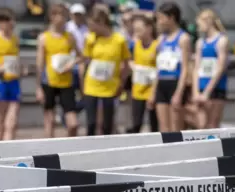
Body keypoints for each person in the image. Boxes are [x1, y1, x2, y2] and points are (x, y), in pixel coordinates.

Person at [82, 6, 131, 135]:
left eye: (92, 25)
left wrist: (121, 83)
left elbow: (126, 65)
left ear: (101, 22)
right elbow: (85, 61)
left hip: (110, 87)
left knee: (106, 125)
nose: (90, 28)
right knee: (91, 123)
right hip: (91, 85)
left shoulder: (119, 40)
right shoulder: (90, 39)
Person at [36, 4, 81, 138]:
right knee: (49, 122)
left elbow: (81, 56)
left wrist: (71, 64)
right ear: (51, 17)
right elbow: (40, 63)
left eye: (62, 15)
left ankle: (69, 149)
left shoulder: (70, 37)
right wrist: (38, 87)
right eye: (56, 15)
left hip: (66, 82)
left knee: (73, 124)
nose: (59, 18)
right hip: (49, 81)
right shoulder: (44, 38)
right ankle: (49, 153)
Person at [155, 2, 191, 132]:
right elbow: (157, 67)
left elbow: (185, 68)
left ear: (171, 18)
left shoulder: (183, 38)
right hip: (162, 82)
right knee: (164, 128)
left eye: (161, 18)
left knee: (176, 128)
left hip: (175, 82)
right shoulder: (161, 40)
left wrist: (179, 92)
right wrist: (154, 89)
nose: (159, 22)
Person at [0, 8, 21, 140]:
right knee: (0, 123)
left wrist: (20, 68)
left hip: (14, 81)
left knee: (11, 123)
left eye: (12, 20)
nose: (11, 23)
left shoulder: (14, 38)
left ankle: (9, 153)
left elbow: (16, 58)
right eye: (7, 20)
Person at [193, 9, 229, 129]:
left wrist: (207, 92)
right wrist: (196, 91)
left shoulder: (221, 41)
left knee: (213, 125)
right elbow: (196, 68)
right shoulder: (200, 43)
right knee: (201, 125)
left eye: (200, 24)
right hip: (201, 86)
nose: (199, 27)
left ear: (208, 21)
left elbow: (220, 68)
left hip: (216, 87)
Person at [127, 14, 158, 133]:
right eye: (135, 30)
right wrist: (133, 66)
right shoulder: (134, 44)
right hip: (137, 90)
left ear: (149, 28)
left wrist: (153, 94)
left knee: (154, 125)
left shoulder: (156, 45)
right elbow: (128, 58)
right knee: (136, 124)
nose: (137, 33)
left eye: (139, 29)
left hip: (152, 91)